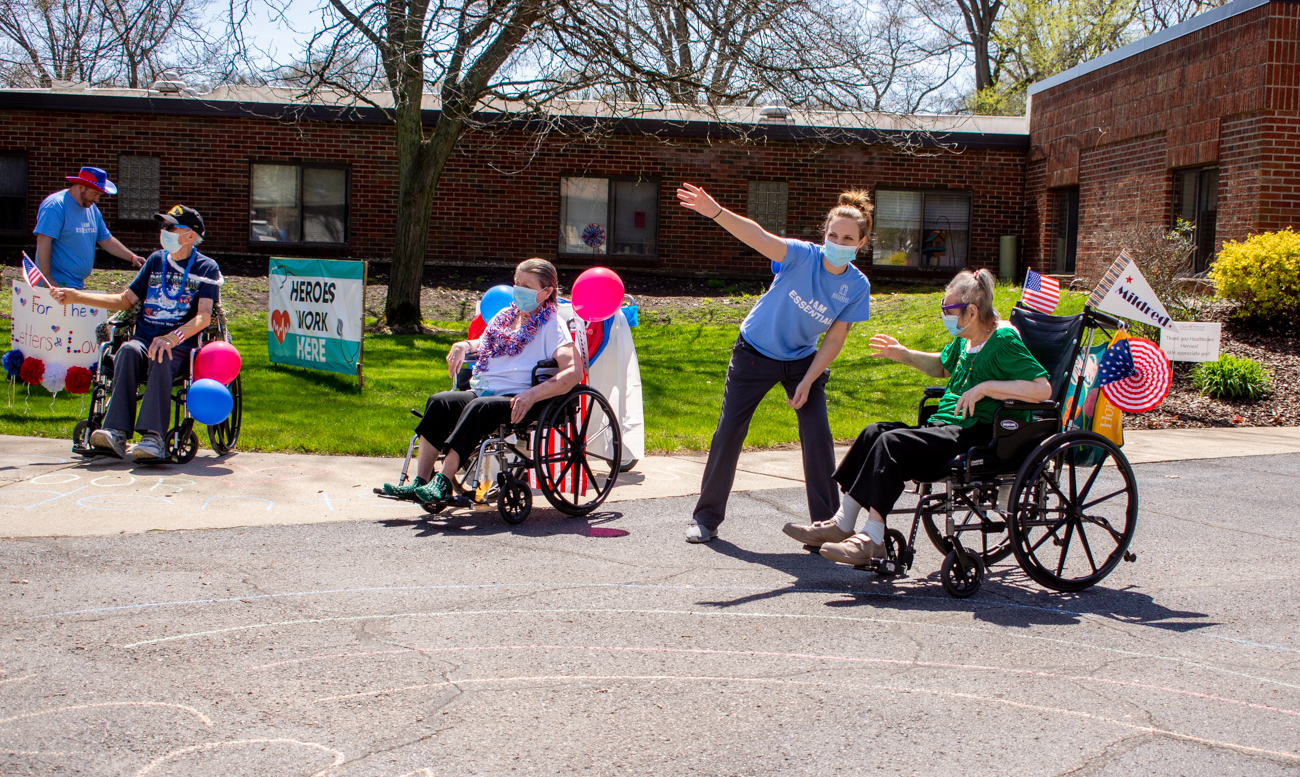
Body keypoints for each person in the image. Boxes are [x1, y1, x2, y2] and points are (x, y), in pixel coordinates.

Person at [783, 269, 1051, 566]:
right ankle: (842, 522)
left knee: (892, 442)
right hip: (946, 427)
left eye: (949, 310)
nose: (944, 316)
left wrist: (987, 388)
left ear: (972, 312)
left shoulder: (1003, 341)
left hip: (975, 432)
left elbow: (1042, 388)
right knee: (874, 431)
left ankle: (872, 537)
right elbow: (941, 366)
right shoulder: (967, 340)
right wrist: (903, 354)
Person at [676, 183, 873, 543]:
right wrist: (716, 212)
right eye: (833, 234)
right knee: (729, 433)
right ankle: (705, 519)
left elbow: (835, 337)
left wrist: (809, 379)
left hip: (802, 360)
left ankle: (827, 527)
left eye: (848, 238)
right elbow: (759, 236)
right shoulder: (801, 255)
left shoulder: (857, 286)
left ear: (861, 243)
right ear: (824, 234)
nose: (839, 242)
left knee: (818, 436)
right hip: (754, 352)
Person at [380, 259, 580, 504]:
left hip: (520, 396)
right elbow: (482, 344)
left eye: (526, 286)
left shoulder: (552, 325)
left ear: (546, 291)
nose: (518, 290)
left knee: (479, 407)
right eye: (516, 283)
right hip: (485, 390)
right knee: (440, 401)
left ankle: (442, 482)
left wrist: (532, 395)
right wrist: (463, 345)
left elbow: (573, 372)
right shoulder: (505, 316)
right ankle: (420, 482)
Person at [50, 205, 223, 462]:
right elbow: (124, 300)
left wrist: (172, 337)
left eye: (170, 227)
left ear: (189, 235)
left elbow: (204, 316)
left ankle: (153, 438)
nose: (164, 231)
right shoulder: (155, 261)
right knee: (127, 350)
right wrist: (76, 297)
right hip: (144, 340)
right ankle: (115, 432)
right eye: (163, 226)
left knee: (162, 353)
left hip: (178, 346)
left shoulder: (206, 267)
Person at [35, 167, 146, 288]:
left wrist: (132, 257)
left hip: (75, 284)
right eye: (95, 193)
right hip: (55, 284)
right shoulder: (56, 206)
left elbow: (106, 240)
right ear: (81, 187)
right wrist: (46, 278)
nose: (97, 199)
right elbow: (43, 241)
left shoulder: (92, 209)